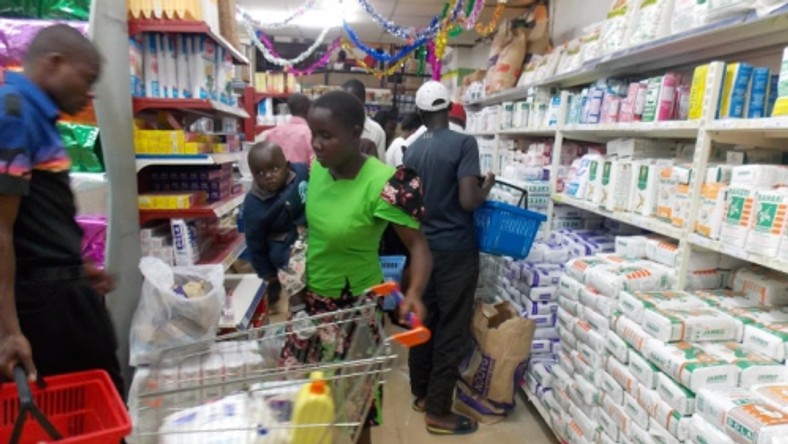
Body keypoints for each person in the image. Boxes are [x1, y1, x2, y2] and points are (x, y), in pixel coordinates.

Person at [281, 90, 432, 444]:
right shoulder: (318, 168)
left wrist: (413, 292)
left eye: (326, 135)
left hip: (355, 310)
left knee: (355, 407)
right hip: (308, 304)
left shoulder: (386, 184)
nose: (316, 144)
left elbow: (419, 246)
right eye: (313, 133)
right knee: (304, 404)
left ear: (354, 133)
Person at [0, 25, 124, 396]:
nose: (88, 93)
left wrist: (75, 265)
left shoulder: (38, 118)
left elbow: (33, 217)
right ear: (55, 63)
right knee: (83, 411)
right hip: (42, 309)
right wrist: (10, 331)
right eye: (86, 79)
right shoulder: (13, 114)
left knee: (101, 401)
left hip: (61, 296)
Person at [404, 81, 495, 435]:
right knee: (452, 328)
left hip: (423, 249)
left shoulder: (411, 151)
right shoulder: (463, 143)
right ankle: (439, 411)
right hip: (456, 249)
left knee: (425, 322)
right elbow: (468, 200)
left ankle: (423, 393)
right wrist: (486, 185)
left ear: (423, 112)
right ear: (449, 107)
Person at [243, 142, 308, 314]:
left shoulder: (300, 173)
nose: (268, 176)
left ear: (286, 166)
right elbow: (254, 241)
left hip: (309, 233)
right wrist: (266, 272)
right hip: (283, 245)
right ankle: (298, 310)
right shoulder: (253, 203)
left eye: (274, 169)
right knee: (291, 273)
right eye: (259, 173)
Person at [262, 93, 313, 164]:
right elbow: (314, 164)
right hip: (303, 174)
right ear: (308, 109)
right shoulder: (309, 133)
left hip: (277, 173)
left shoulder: (272, 132)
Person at [342, 79, 386, 159]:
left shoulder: (377, 131)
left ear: (363, 99)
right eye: (343, 100)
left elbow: (380, 165)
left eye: (352, 100)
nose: (347, 104)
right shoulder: (334, 126)